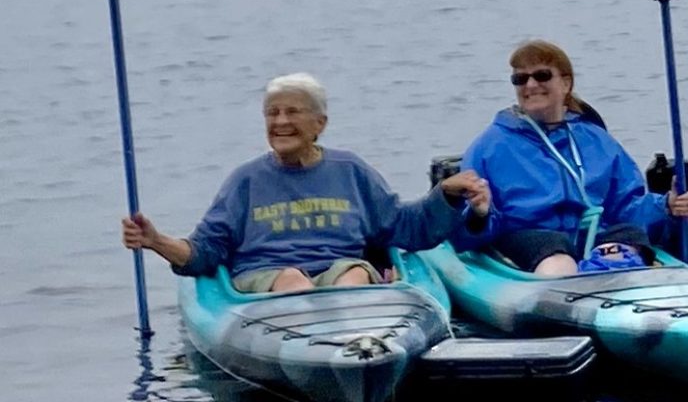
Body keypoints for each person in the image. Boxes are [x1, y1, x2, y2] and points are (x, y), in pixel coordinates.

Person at [120, 73, 490, 293]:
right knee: (293, 281)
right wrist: (156, 241)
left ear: (320, 123)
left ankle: (355, 359)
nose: (280, 122)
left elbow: (405, 227)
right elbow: (205, 251)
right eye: (272, 113)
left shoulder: (350, 170)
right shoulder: (245, 181)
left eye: (292, 112)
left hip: (336, 273)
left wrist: (445, 194)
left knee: (357, 273)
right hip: (268, 280)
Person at [449, 40, 688, 276]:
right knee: (556, 253)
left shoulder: (596, 139)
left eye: (542, 75)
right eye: (520, 79)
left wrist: (667, 206)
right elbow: (464, 229)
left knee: (628, 237)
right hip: (529, 240)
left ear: (566, 83)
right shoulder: (489, 146)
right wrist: (478, 214)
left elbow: (625, 206)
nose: (531, 85)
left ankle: (614, 285)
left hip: (592, 235)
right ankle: (563, 300)